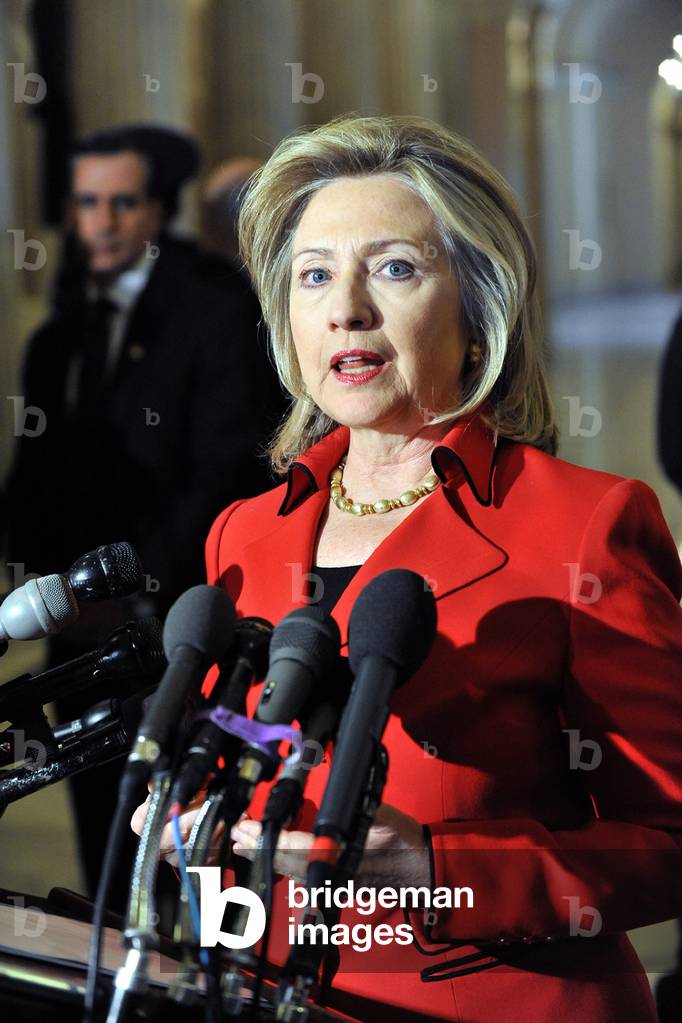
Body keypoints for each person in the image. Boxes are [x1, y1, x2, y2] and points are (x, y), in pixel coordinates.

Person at [133, 114, 682, 1022]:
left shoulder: (588, 524)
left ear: (477, 309)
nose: (345, 306)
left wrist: (440, 872)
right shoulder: (243, 534)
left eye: (393, 268)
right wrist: (193, 823)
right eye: (314, 276)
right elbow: (257, 756)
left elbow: (669, 838)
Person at [5, 124, 281, 910]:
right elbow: (32, 483)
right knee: (103, 854)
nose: (102, 221)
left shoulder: (215, 313)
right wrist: (48, 587)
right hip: (69, 638)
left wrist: (128, 592)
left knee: (180, 864)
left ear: (157, 211)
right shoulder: (59, 337)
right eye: (87, 203)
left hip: (169, 635)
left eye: (122, 203)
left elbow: (226, 475)